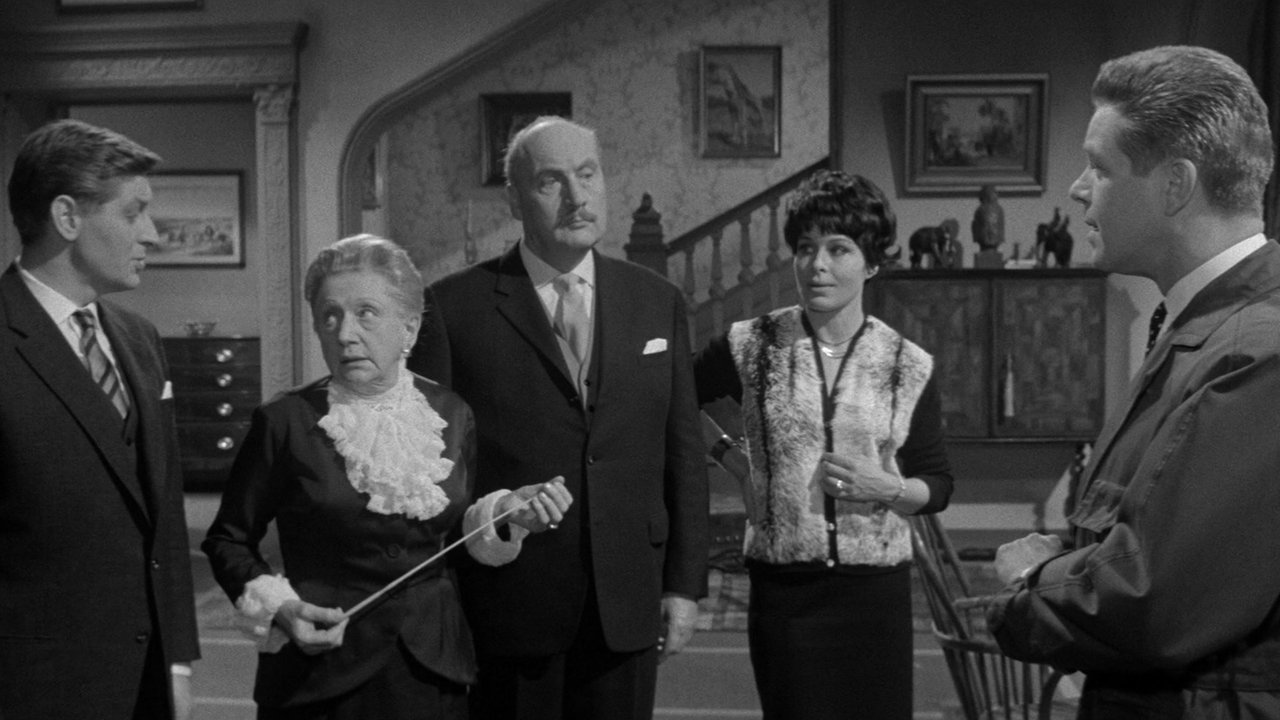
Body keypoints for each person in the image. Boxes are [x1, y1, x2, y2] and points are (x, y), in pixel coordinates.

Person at [987, 45, 1280, 718]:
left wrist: (1030, 579)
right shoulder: (1207, 327)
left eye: (1099, 166)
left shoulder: (1257, 355)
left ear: (1175, 185)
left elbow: (1153, 603)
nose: (1077, 189)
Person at [409, 116, 709, 720]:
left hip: (628, 599)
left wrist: (683, 584)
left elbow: (681, 451)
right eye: (551, 181)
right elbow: (431, 473)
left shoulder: (658, 301)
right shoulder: (453, 308)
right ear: (514, 199)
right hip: (511, 606)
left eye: (587, 174)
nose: (577, 197)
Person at [202, 234, 572, 719]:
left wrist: (506, 512)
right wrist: (282, 608)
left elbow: (452, 531)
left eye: (366, 314)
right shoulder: (284, 421)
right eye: (329, 317)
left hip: (431, 672)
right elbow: (227, 540)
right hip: (319, 674)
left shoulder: (451, 413)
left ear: (409, 329)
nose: (345, 333)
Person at [693, 169, 954, 720]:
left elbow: (937, 484)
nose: (818, 265)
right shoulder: (753, 345)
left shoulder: (906, 364)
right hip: (785, 591)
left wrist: (888, 487)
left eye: (838, 249)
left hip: (874, 595)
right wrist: (732, 462)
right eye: (806, 248)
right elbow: (671, 398)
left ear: (871, 262)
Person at [0, 119, 199, 719]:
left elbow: (165, 517)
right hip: (34, 689)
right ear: (67, 217)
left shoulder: (140, 339)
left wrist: (178, 662)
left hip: (146, 682)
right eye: (134, 212)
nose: (153, 234)